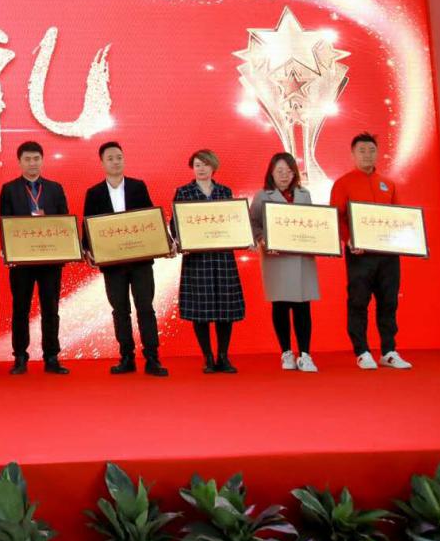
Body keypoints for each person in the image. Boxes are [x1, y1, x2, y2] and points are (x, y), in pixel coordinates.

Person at [82, 141, 168, 377]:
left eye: (119, 157)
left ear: (124, 159)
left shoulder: (138, 187)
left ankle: (152, 358)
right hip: (113, 264)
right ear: (102, 163)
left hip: (140, 261)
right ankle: (126, 357)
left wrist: (163, 242)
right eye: (110, 158)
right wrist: (87, 250)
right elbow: (87, 225)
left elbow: (150, 219)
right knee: (120, 310)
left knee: (145, 308)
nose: (115, 161)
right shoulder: (94, 193)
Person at [329, 132, 412, 370]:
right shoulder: (343, 183)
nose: (367, 155)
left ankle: (389, 351)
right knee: (358, 301)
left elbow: (399, 216)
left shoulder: (388, 183)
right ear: (353, 154)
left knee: (389, 301)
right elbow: (336, 216)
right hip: (360, 254)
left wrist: (410, 239)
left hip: (388, 255)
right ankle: (362, 351)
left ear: (378, 153)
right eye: (362, 150)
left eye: (371, 150)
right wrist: (348, 240)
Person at [0, 140, 70, 375]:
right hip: (22, 262)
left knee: (51, 308)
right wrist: (8, 251)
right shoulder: (9, 189)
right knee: (20, 308)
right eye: (27, 159)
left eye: (36, 158)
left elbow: (64, 222)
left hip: (50, 260)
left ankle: (52, 356)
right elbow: (4, 223)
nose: (32, 163)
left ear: (42, 160)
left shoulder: (55, 188)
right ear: (19, 162)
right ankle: (20, 356)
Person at [172, 149, 244, 374]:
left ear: (213, 166)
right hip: (197, 258)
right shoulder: (183, 192)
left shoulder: (225, 191)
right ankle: (208, 357)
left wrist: (243, 237)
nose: (201, 168)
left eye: (205, 164)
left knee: (225, 307)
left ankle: (223, 356)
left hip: (222, 257)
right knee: (200, 309)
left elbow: (235, 222)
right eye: (197, 165)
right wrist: (179, 241)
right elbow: (175, 224)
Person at [249, 152, 319, 373]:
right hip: (276, 259)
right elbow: (253, 223)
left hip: (301, 257)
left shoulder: (304, 194)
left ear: (294, 173)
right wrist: (261, 238)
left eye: (289, 171)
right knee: (280, 305)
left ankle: (305, 354)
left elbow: (314, 223)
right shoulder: (262, 196)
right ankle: (286, 352)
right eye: (279, 171)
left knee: (303, 306)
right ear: (271, 173)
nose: (284, 175)